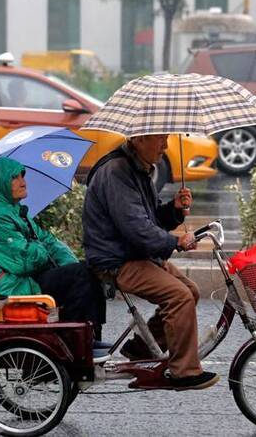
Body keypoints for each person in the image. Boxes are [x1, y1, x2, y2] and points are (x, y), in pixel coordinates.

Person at [82, 134, 220, 391]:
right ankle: (183, 371)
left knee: (190, 291)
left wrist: (174, 210)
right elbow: (136, 228)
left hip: (134, 254)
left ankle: (141, 348)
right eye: (161, 140)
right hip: (115, 260)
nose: (166, 146)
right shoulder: (116, 172)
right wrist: (175, 242)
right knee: (179, 296)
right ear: (140, 139)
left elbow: (152, 217)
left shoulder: (138, 169)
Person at [0, 157, 105, 335]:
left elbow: (47, 240)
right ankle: (75, 337)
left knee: (89, 269)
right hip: (14, 285)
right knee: (79, 276)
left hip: (25, 278)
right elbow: (24, 260)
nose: (23, 182)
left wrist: (64, 260)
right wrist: (41, 248)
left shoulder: (11, 209)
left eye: (22, 175)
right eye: (15, 178)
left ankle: (92, 332)